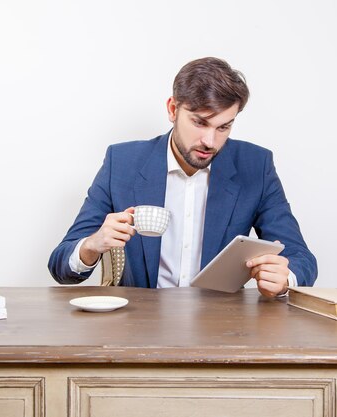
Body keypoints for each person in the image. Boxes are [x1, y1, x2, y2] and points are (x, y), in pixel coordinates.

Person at [48, 57, 317, 296]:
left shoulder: (255, 165)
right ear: (173, 109)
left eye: (224, 127)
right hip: (140, 328)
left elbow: (302, 258)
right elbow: (60, 266)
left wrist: (284, 278)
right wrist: (92, 245)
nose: (210, 141)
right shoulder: (123, 163)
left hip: (222, 328)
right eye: (200, 122)